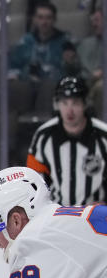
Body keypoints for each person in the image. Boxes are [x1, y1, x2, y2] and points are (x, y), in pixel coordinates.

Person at [26, 76, 107, 206]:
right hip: (56, 216)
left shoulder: (104, 136)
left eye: (75, 103)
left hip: (95, 217)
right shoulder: (43, 136)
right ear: (57, 104)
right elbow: (33, 182)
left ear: (85, 104)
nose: (69, 110)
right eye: (64, 103)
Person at [9, 1, 72, 84]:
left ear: (55, 19)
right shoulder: (25, 42)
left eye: (48, 18)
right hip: (27, 86)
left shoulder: (65, 41)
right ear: (34, 19)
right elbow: (14, 66)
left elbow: (72, 71)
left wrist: (70, 62)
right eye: (40, 17)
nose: (44, 22)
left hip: (54, 86)